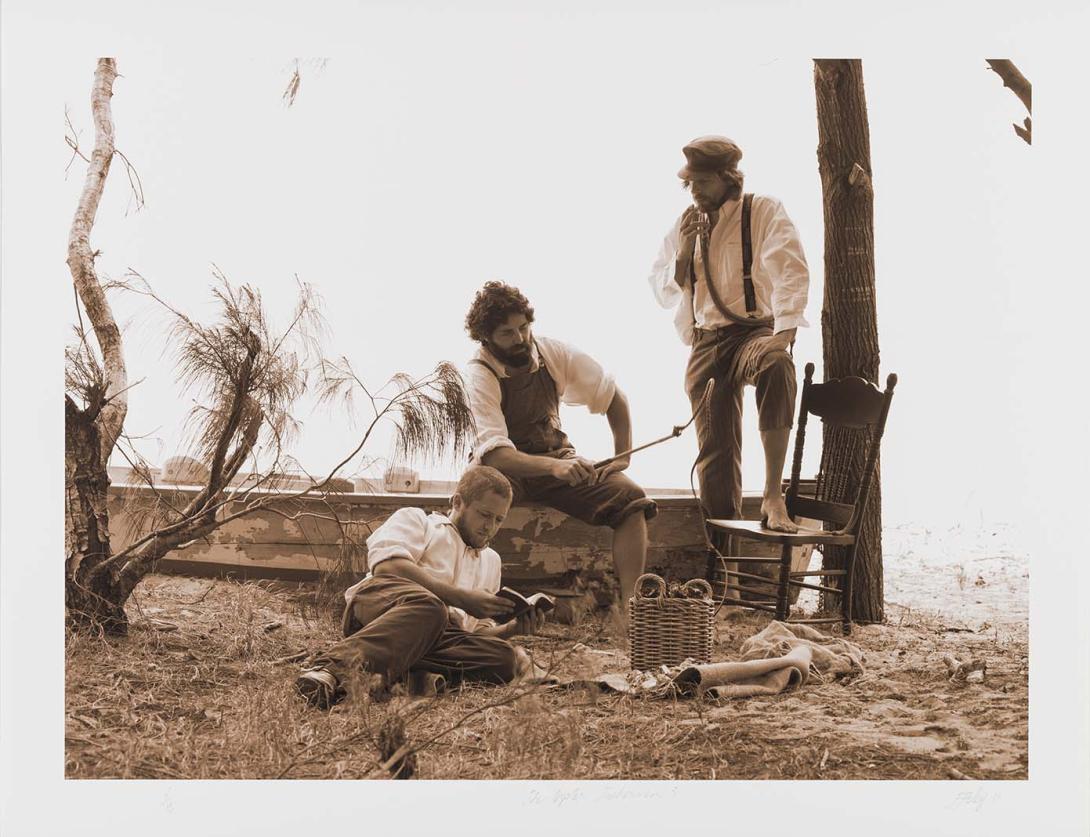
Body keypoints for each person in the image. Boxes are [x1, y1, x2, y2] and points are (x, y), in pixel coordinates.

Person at [647, 135, 810, 538]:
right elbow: (661, 290)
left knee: (776, 366)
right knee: (715, 456)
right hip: (705, 341)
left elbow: (791, 268)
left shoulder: (763, 210)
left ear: (727, 177)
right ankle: (726, 572)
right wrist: (685, 249)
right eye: (690, 182)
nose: (694, 189)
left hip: (753, 332)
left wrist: (784, 332)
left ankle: (773, 495)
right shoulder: (686, 223)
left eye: (702, 181)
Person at [463, 281, 657, 607]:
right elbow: (496, 456)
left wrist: (621, 458)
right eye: (507, 334)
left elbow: (614, 398)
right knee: (475, 503)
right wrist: (556, 467)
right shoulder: (479, 374)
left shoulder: (554, 353)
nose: (520, 338)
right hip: (505, 469)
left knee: (632, 499)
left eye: (524, 327)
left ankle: (630, 607)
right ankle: (468, 598)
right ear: (486, 338)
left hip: (556, 457)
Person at [295, 466, 544, 710]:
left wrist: (510, 629)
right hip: (385, 608)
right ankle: (330, 670)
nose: (490, 527)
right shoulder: (419, 520)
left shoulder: (492, 561)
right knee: (433, 608)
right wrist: (460, 598)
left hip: (440, 637)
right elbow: (387, 566)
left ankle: (399, 674)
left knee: (503, 658)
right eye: (484, 515)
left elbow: (472, 636)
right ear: (458, 502)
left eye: (499, 519)